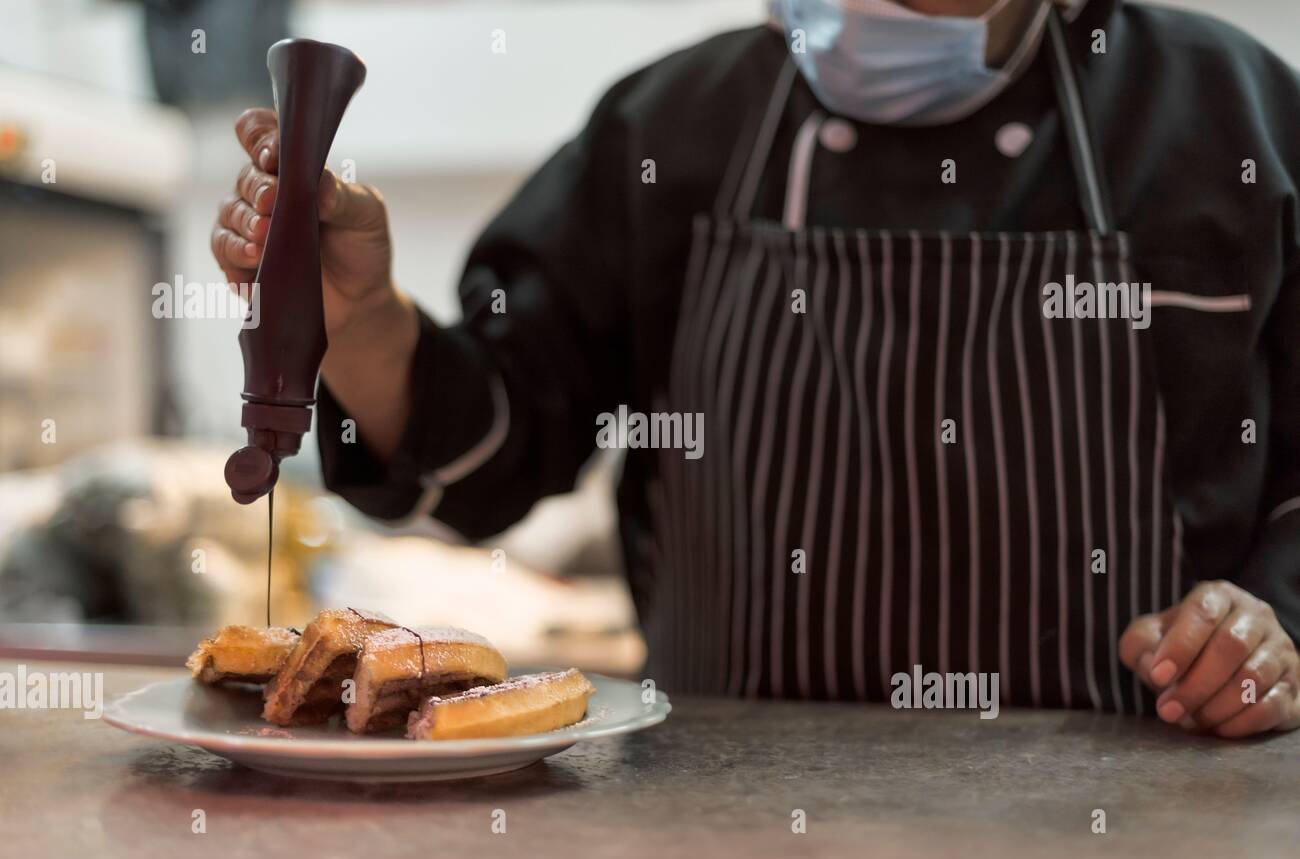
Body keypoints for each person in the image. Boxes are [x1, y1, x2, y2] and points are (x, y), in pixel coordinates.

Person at [212, 0, 1300, 736]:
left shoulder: (1227, 116)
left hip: (1126, 839)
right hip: (719, 827)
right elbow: (498, 440)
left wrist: (1274, 623)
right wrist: (359, 324)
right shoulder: (673, 125)